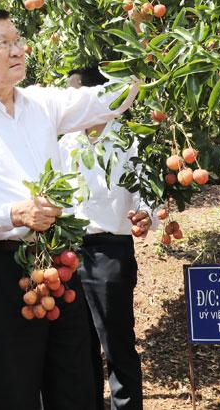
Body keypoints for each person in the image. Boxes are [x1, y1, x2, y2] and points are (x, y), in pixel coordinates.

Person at [0, 9, 139, 410]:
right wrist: (13, 213)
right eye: (2, 43)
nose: (17, 50)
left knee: (74, 380)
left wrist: (140, 42)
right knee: (10, 388)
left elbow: (109, 99)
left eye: (17, 40)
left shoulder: (42, 103)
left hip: (56, 265)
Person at [60, 65, 152, 410]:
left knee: (116, 343)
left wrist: (147, 217)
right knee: (78, 345)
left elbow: (147, 196)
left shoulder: (129, 141)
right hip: (70, 251)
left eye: (77, 96)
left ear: (99, 98)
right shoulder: (67, 143)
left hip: (110, 251)